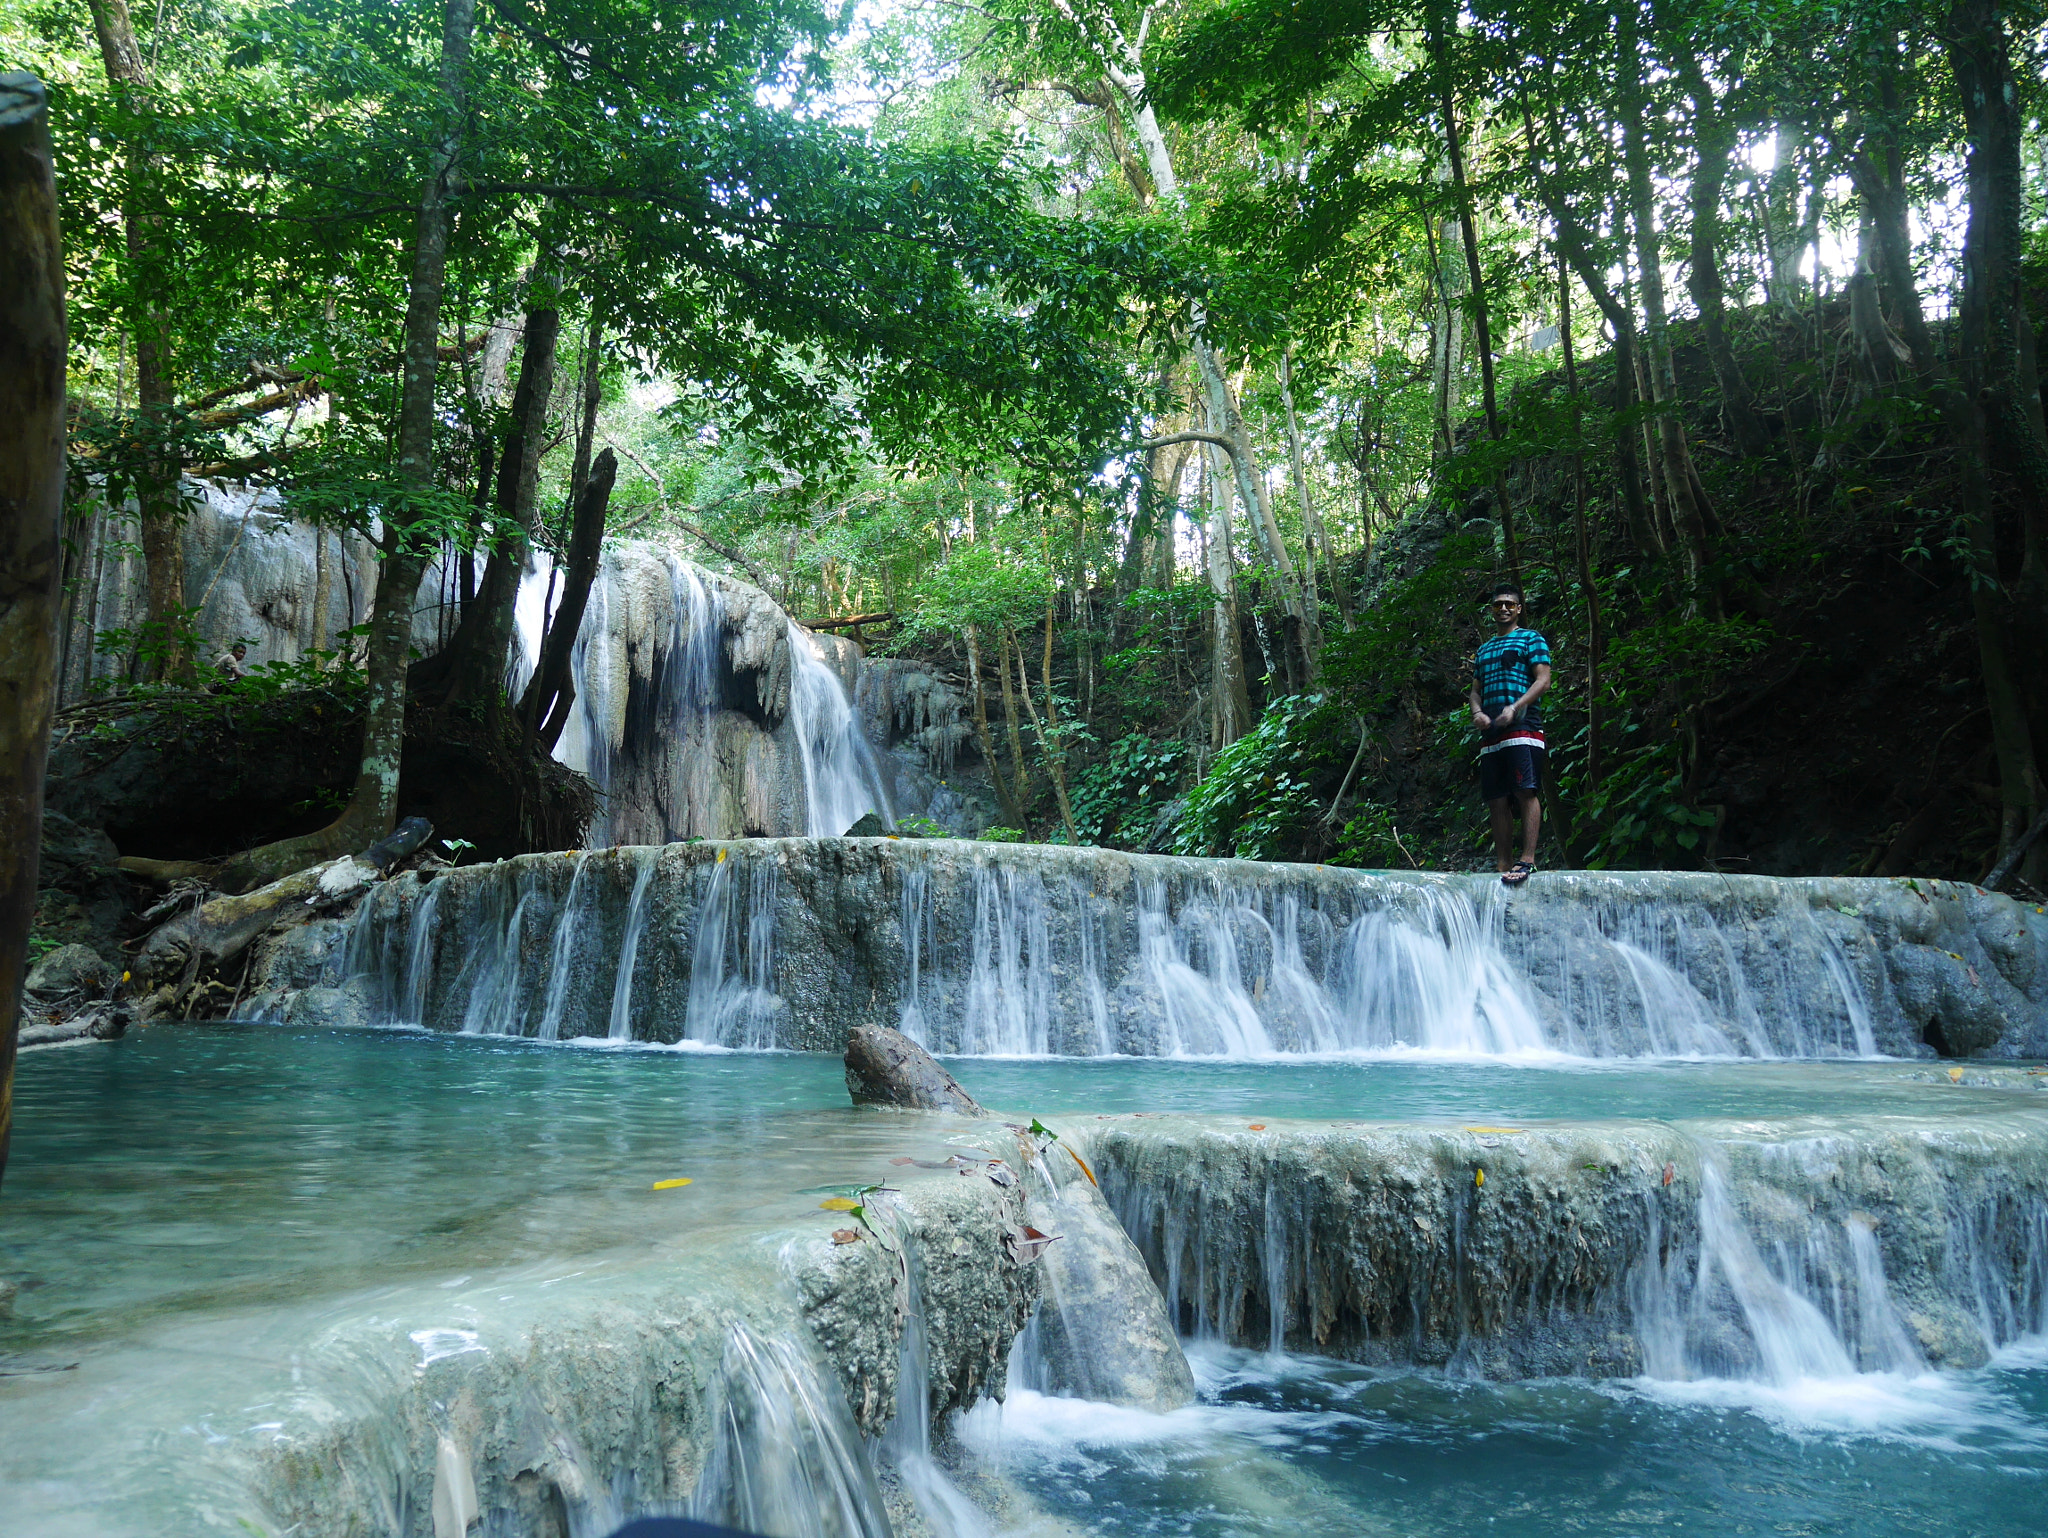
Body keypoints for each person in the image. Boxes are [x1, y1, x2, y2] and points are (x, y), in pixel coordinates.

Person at [1468, 584, 1551, 885]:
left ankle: (1526, 860)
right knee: (1496, 798)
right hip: (1491, 732)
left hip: (1523, 726)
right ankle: (1502, 862)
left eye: (1509, 604)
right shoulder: (1485, 649)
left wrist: (1516, 707)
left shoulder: (1531, 639)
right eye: (1498, 604)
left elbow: (1544, 680)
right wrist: (1477, 713)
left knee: (1525, 790)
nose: (1503, 608)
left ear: (1518, 609)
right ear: (1492, 610)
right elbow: (1475, 691)